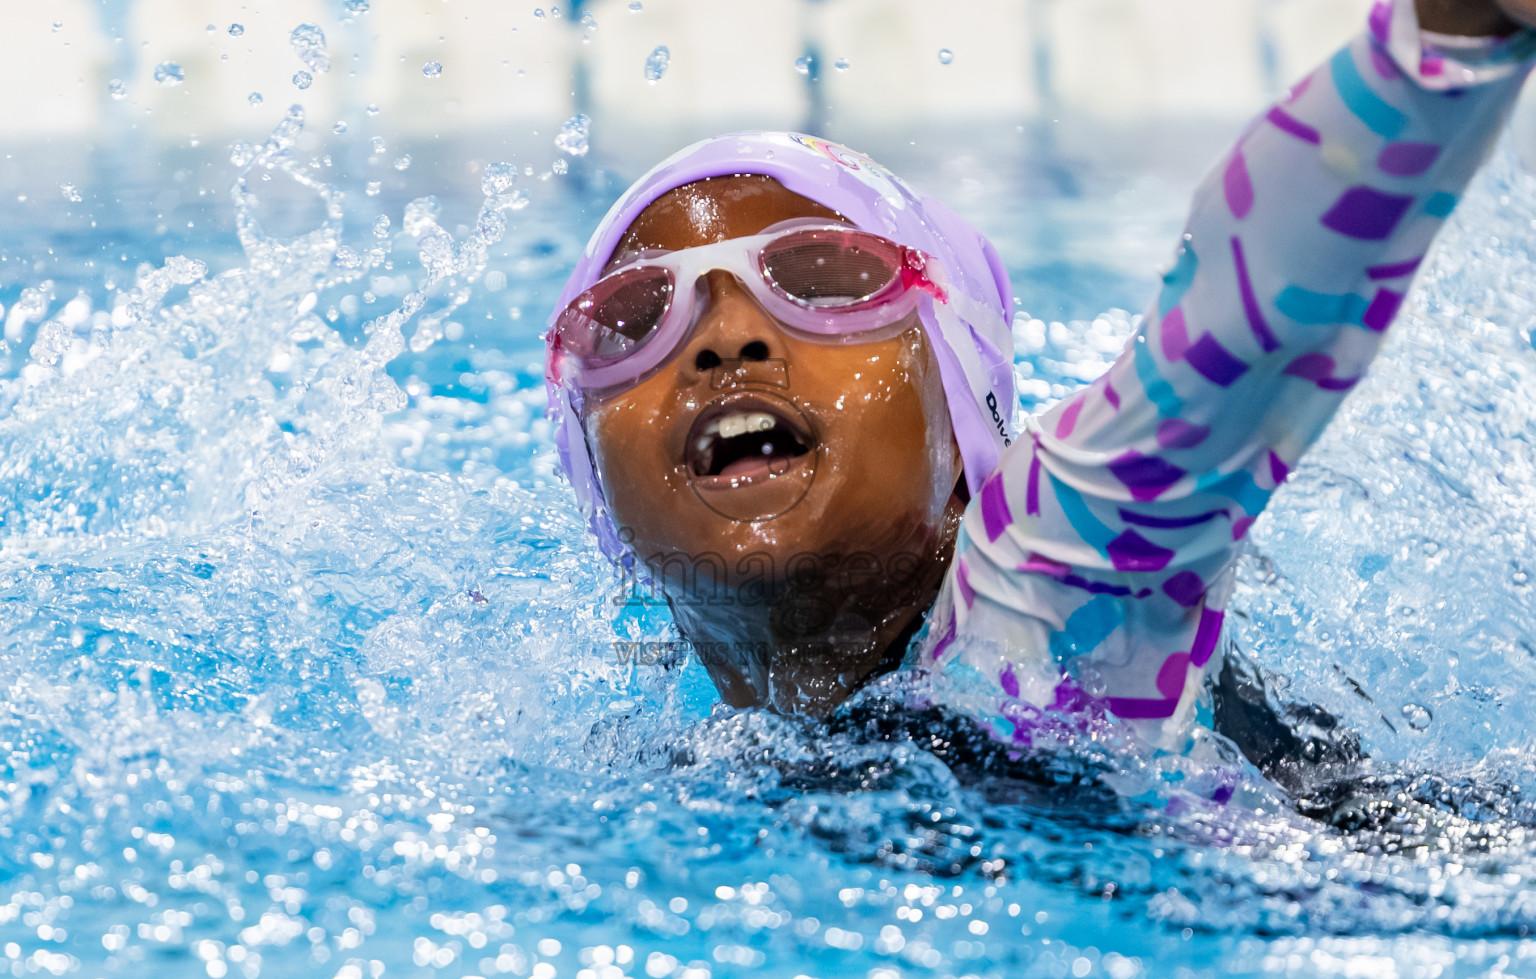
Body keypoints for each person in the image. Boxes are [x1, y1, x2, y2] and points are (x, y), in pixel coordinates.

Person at [545, 0, 1536, 754]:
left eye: (821, 279)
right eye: (633, 320)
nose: (725, 341)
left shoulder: (1045, 582)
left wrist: (1444, 44)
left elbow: (1242, 330)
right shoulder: (629, 738)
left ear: (966, 420)